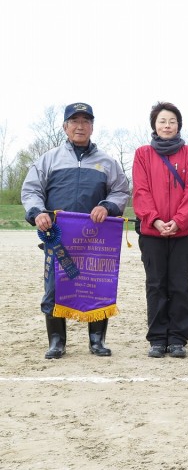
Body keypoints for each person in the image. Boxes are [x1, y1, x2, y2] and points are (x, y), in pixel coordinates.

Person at [21, 102, 129, 359]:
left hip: (96, 238)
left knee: (97, 285)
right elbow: (31, 190)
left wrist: (107, 206)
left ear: (92, 126)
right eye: (74, 121)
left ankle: (96, 340)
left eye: (86, 121)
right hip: (58, 237)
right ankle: (57, 341)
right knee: (55, 287)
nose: (80, 126)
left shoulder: (107, 162)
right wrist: (38, 213)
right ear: (65, 126)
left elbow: (121, 190)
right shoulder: (49, 159)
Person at [132, 102, 188, 358]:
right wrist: (153, 220)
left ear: (179, 125)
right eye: (162, 121)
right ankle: (157, 338)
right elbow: (141, 191)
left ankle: (177, 338)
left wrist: (180, 220)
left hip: (183, 234)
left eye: (172, 121)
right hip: (152, 234)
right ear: (154, 125)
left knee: (180, 286)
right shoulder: (142, 154)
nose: (167, 125)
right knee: (155, 285)